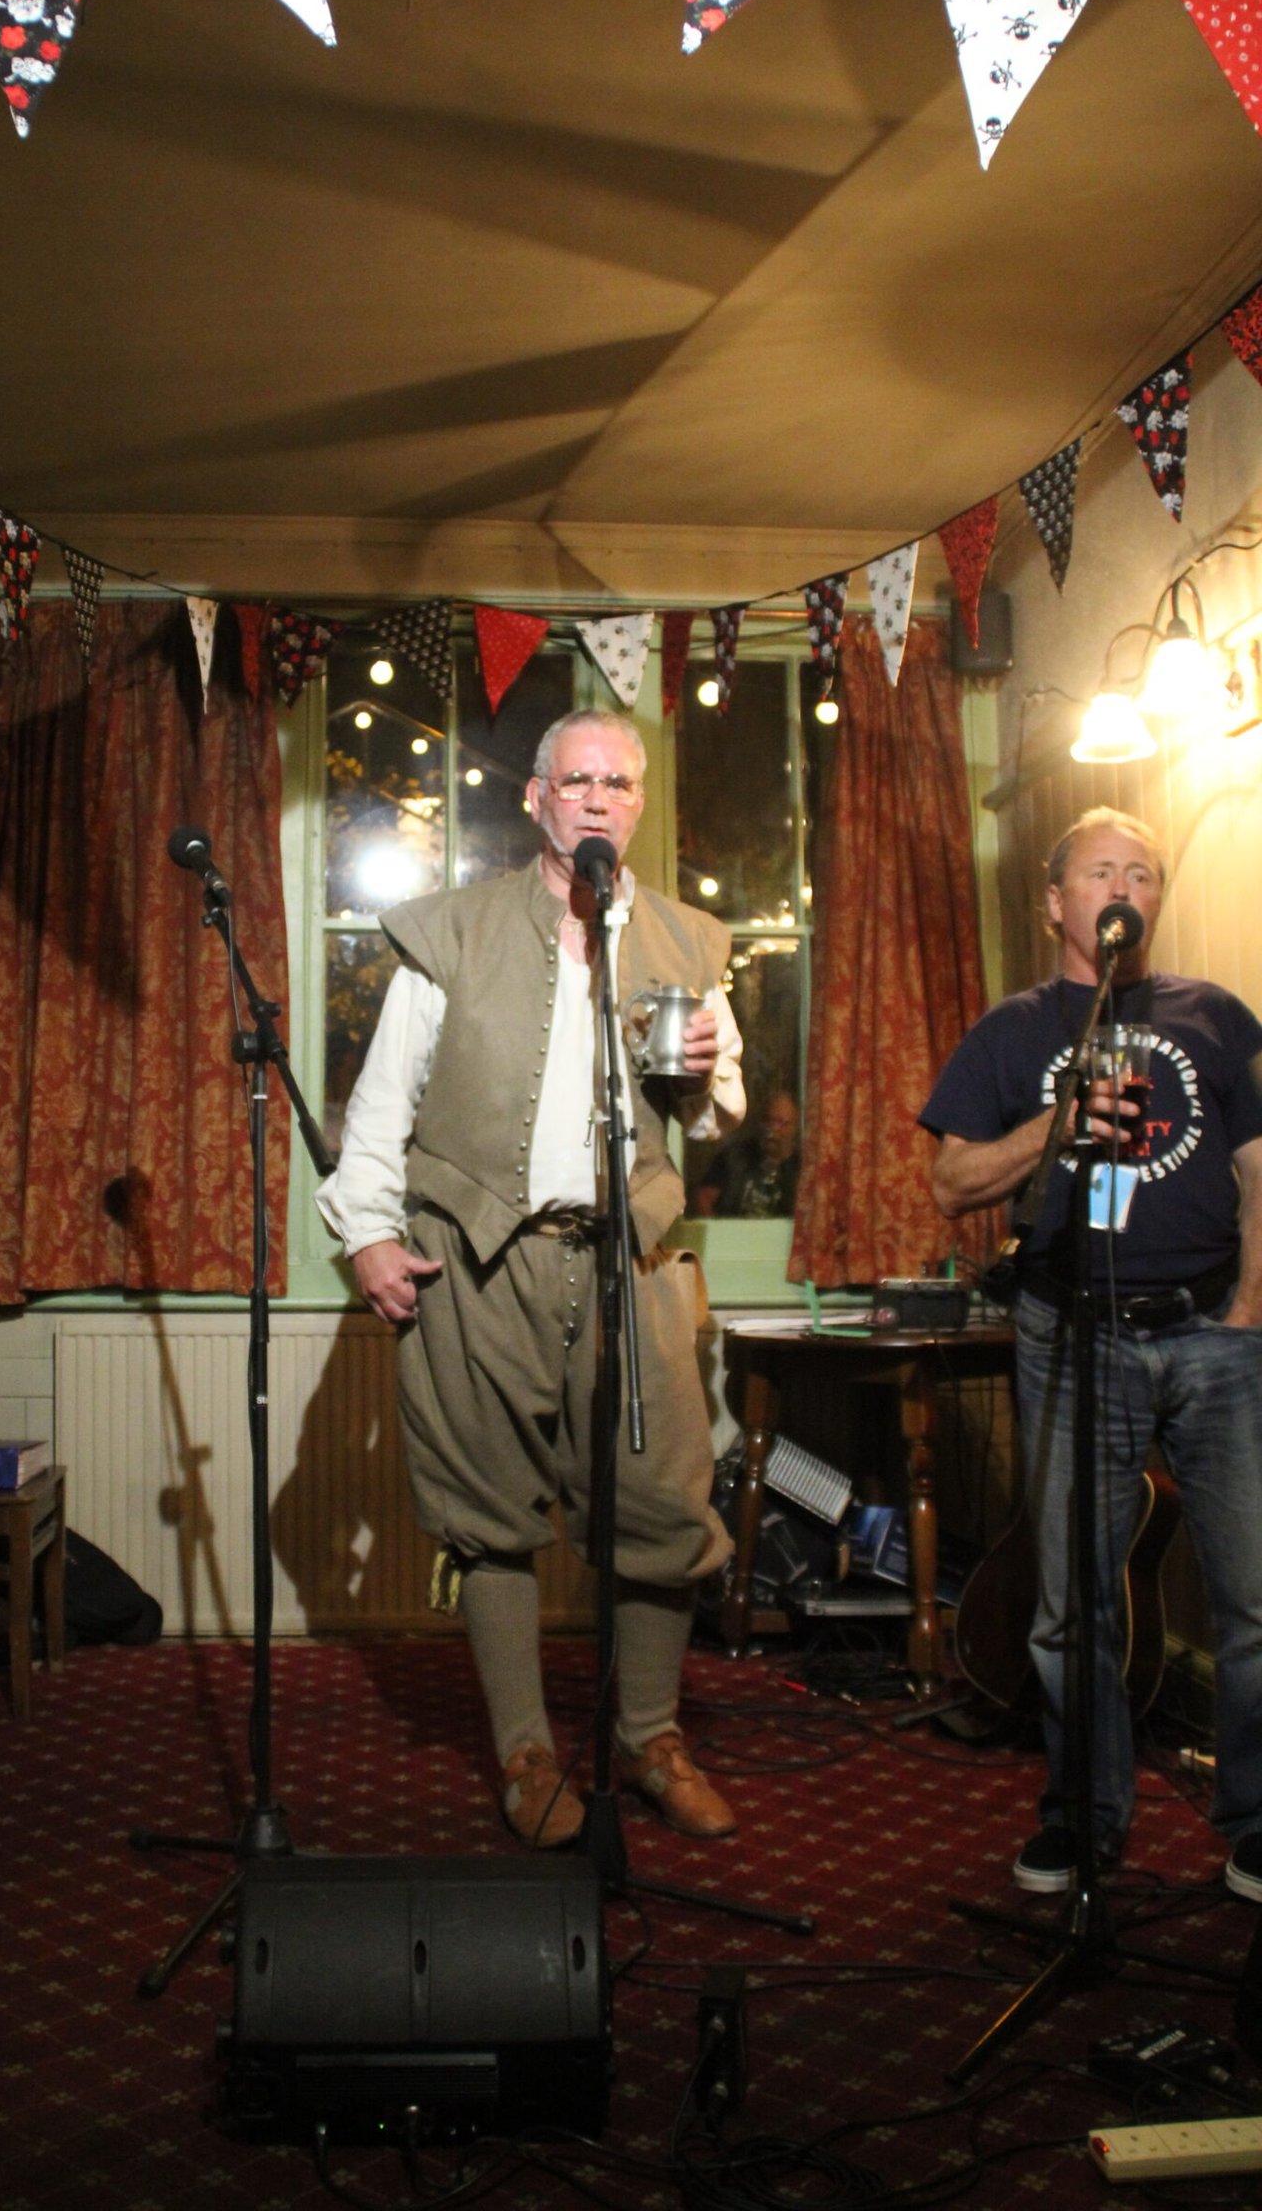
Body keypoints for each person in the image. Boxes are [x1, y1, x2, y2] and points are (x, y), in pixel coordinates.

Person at [318, 708, 746, 1848]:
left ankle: (650, 1738)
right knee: (487, 1511)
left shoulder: (687, 942)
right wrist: (368, 1237)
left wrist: (707, 1075)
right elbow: (382, 1107)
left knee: (662, 1503)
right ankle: (524, 1752)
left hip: (625, 1259)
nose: (598, 799)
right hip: (476, 1260)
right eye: (577, 780)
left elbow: (717, 1115)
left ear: (638, 803)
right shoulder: (455, 930)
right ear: (536, 797)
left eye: (619, 783)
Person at [920, 808, 1262, 1898]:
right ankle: (1082, 1815)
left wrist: (1251, 1308)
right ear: (1055, 903)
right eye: (1100, 871)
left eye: (1142, 873)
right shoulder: (1012, 1031)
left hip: (1213, 1333)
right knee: (1072, 1606)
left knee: (1254, 1598)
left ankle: (1256, 1821)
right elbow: (951, 1183)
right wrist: (1055, 1125)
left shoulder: (1214, 1015)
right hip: (1070, 1337)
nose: (1124, 887)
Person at [692, 1088, 800, 1218]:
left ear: (794, 1127)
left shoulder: (802, 1167)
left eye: (782, 1123)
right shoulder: (734, 1157)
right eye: (768, 1120)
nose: (773, 1129)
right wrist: (718, 1229)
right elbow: (704, 1198)